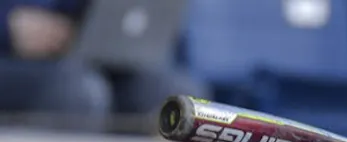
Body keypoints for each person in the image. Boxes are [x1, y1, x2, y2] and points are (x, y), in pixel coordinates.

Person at [0, 0, 208, 132]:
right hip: (11, 59)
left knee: (178, 95)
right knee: (80, 93)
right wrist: (8, 28)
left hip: (72, 56)